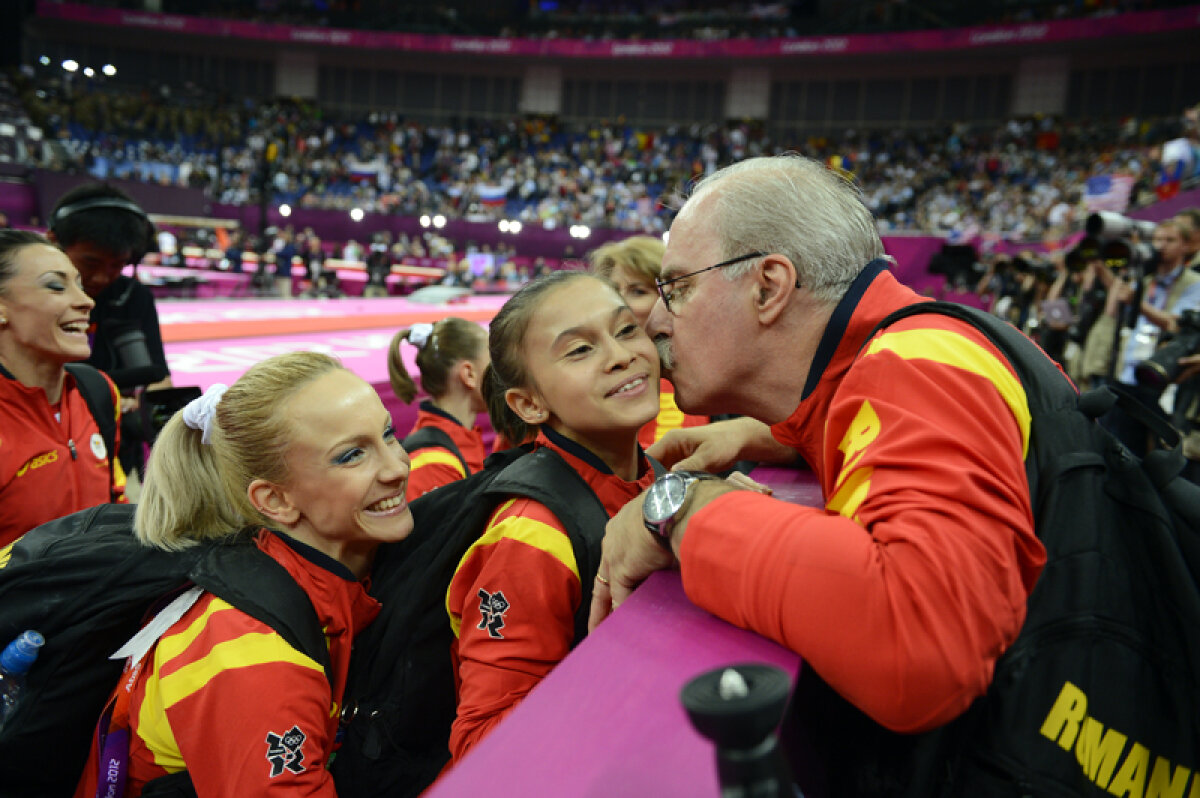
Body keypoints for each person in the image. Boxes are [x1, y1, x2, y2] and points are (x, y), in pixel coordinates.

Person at [589, 155, 1047, 793]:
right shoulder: (896, 354)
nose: (656, 322)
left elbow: (923, 645)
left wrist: (679, 508)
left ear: (768, 287)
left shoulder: (916, 365)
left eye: (677, 289)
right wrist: (784, 437)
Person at [73, 351, 413, 797]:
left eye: (388, 434)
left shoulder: (317, 573)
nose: (397, 467)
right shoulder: (248, 652)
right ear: (275, 501)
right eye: (352, 455)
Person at [446, 272, 662, 763]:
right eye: (580, 350)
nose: (620, 355)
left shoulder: (652, 473)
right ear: (529, 404)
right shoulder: (531, 536)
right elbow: (482, 743)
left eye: (626, 330)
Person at [0, 230, 126, 548]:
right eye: (56, 286)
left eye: (79, 285)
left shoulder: (98, 390)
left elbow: (116, 502)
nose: (86, 301)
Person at [47, 182, 172, 478]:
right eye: (90, 262)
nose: (103, 277)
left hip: (116, 449)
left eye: (118, 265)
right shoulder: (33, 299)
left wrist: (144, 406)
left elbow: (159, 377)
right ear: (54, 243)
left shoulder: (134, 296)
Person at [589, 235, 711, 448]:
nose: (619, 303)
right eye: (613, 291)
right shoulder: (586, 374)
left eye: (638, 291)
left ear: (672, 297)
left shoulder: (708, 374)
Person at [387, 317, 490, 501]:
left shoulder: (462, 438)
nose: (502, 374)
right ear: (469, 374)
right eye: (493, 364)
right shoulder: (433, 464)